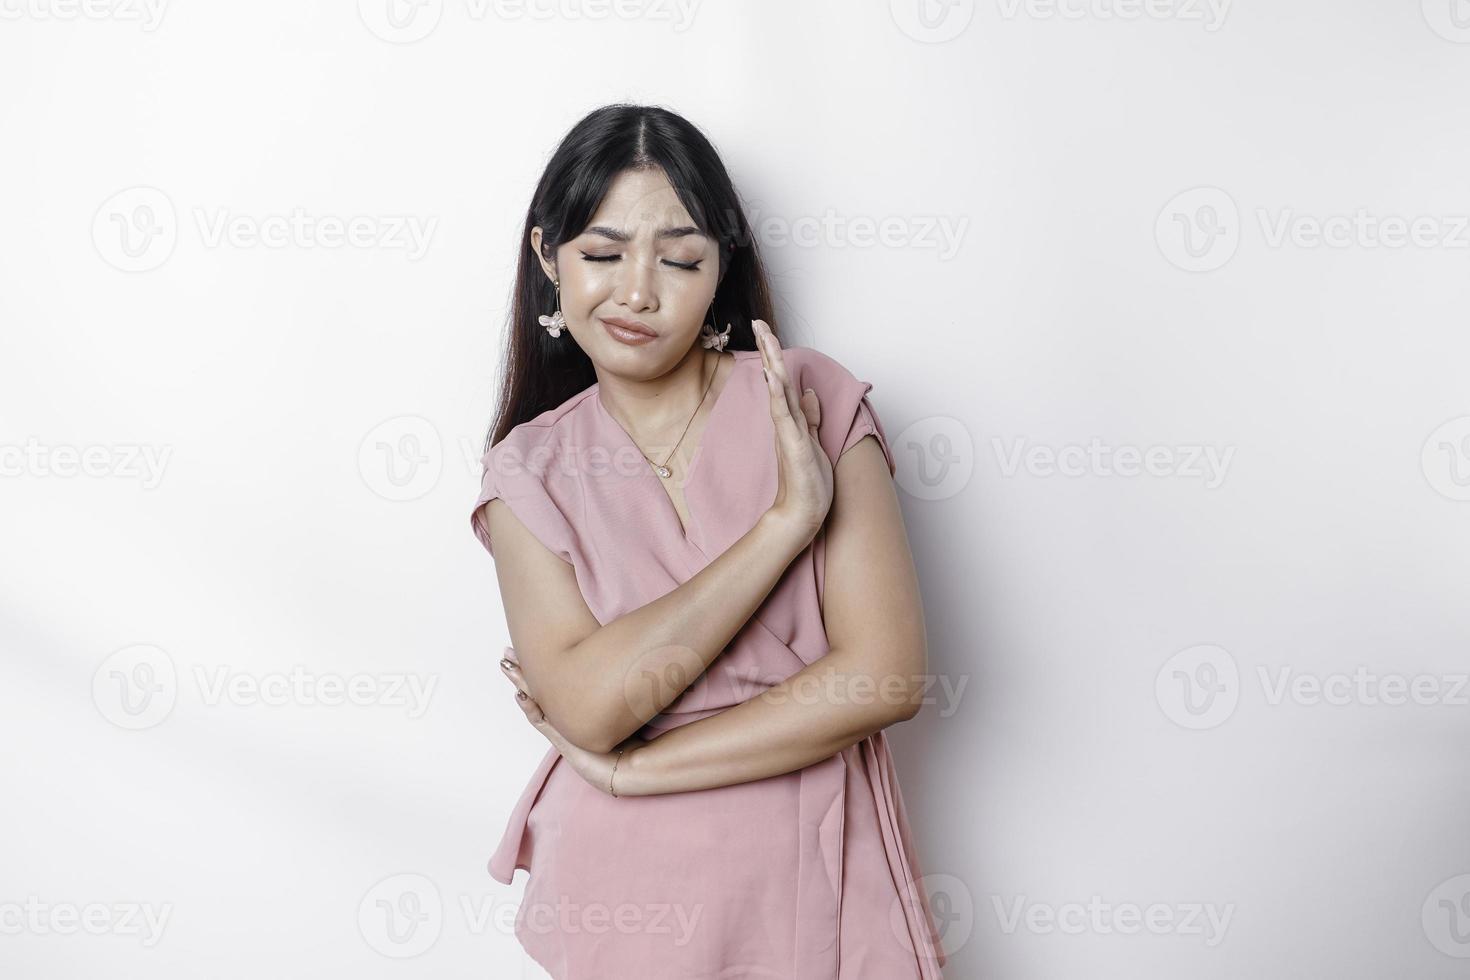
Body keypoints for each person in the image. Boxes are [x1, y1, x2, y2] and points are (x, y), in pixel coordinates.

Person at [470, 103, 947, 979]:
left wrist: (634, 774)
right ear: (547, 258)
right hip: (624, 901)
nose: (639, 291)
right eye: (602, 255)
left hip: (809, 881)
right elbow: (587, 706)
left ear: (723, 265)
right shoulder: (527, 469)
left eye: (680, 257)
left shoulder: (809, 397)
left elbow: (885, 674)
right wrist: (784, 526)